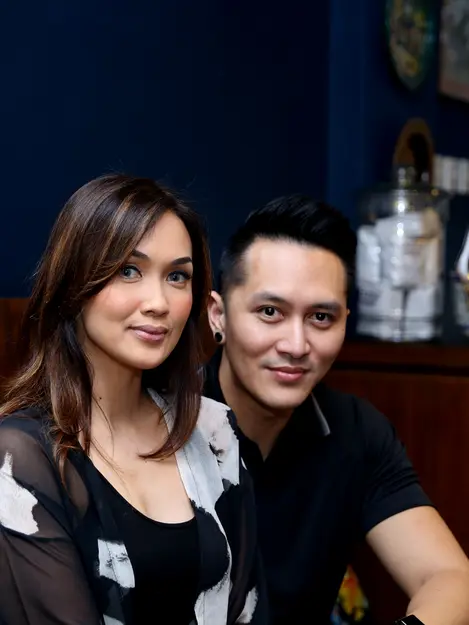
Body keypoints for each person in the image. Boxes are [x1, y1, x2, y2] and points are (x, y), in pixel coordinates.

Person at [0, 174, 266, 625]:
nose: (159, 302)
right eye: (128, 270)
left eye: (177, 276)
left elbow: (248, 607)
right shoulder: (21, 458)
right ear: (73, 282)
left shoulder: (214, 430)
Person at [204, 195, 469, 625]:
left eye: (321, 318)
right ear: (218, 315)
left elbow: (450, 577)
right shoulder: (159, 423)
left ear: (346, 319)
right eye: (270, 312)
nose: (296, 345)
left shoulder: (357, 432)